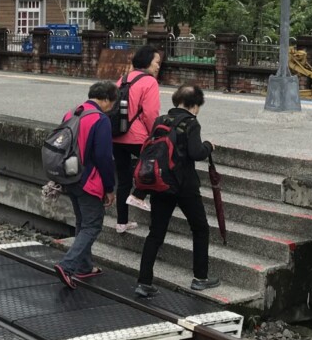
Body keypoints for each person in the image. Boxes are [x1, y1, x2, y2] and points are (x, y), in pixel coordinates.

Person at [135, 84, 220, 298]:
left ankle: (144, 282)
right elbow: (196, 153)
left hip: (160, 183)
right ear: (194, 104)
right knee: (200, 228)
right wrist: (209, 146)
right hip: (184, 186)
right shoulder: (191, 123)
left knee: (156, 233)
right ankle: (200, 278)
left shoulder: (160, 120)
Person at [55, 81, 118, 289]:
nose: (111, 107)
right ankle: (67, 265)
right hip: (89, 180)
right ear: (106, 99)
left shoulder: (71, 113)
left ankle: (84, 266)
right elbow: (103, 156)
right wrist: (109, 187)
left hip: (69, 176)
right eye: (112, 103)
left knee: (82, 222)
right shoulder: (100, 119)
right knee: (92, 225)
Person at [113, 46, 162, 229]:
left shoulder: (123, 79)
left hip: (116, 135)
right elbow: (151, 114)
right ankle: (139, 196)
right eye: (156, 62)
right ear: (148, 62)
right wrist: (153, 136)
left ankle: (122, 222)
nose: (158, 66)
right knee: (156, 166)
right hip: (137, 137)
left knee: (123, 180)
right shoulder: (150, 82)